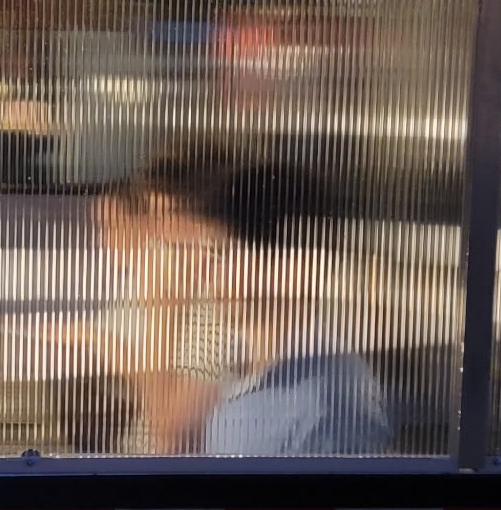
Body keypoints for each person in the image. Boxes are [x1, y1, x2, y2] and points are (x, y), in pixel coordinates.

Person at [86, 144, 392, 457]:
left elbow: (173, 438)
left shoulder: (323, 408)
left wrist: (159, 313)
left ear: (293, 268)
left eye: (221, 252)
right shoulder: (254, 379)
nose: (203, 270)